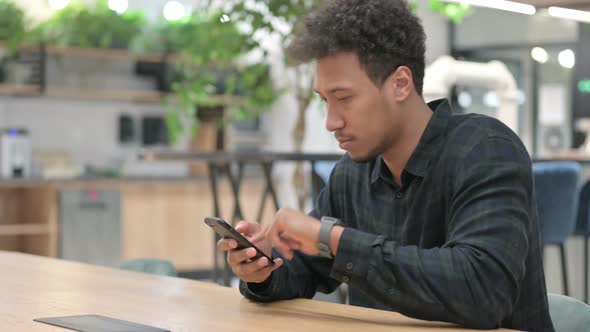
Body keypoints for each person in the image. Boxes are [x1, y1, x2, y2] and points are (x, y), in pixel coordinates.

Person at [217, 0, 554, 330]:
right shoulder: (352, 174)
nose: (331, 122)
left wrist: (333, 238)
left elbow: (481, 292)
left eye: (345, 98)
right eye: (324, 101)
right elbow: (304, 270)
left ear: (400, 84)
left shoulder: (486, 150)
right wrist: (263, 268)